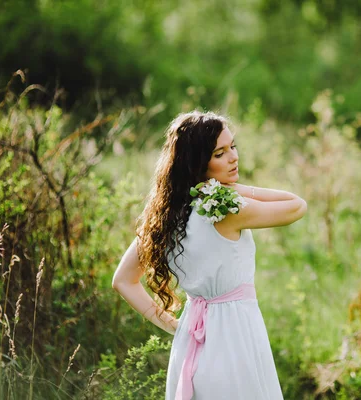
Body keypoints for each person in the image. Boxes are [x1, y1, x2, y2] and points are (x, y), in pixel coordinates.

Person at [112, 110, 307, 400]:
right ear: (198, 163)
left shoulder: (165, 214)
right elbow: (296, 205)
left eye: (233, 147)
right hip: (235, 337)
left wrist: (176, 327)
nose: (233, 157)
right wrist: (239, 189)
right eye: (219, 153)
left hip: (191, 339)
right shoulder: (225, 209)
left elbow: (123, 280)